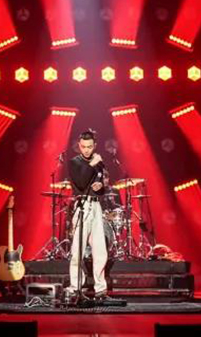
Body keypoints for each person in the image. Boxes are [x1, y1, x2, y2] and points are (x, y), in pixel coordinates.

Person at [65, 129, 112, 305]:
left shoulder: (99, 163)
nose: (86, 150)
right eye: (84, 147)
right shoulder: (74, 162)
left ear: (95, 146)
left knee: (100, 250)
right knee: (77, 250)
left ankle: (100, 290)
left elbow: (103, 186)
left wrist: (101, 187)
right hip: (82, 206)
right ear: (79, 146)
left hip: (96, 206)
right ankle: (75, 287)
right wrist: (92, 163)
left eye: (90, 147)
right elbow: (81, 182)